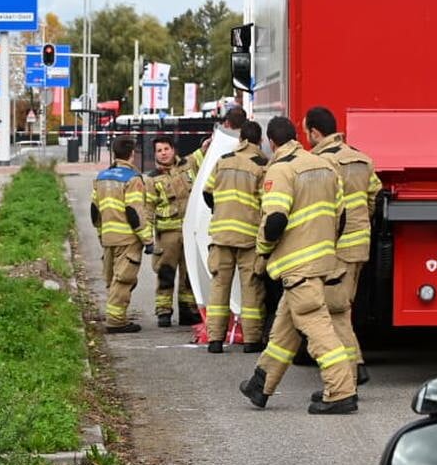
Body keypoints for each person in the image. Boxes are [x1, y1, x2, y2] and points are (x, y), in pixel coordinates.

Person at [239, 116, 358, 414]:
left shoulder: (280, 170)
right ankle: (261, 383)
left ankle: (341, 391)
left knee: (317, 328)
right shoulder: (324, 165)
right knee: (285, 328)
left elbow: (275, 219)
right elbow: (341, 216)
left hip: (297, 266)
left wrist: (262, 250)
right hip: (322, 261)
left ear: (271, 142)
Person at [305, 106, 379, 388]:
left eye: (306, 132)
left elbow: (319, 208)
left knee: (336, 311)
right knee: (344, 307)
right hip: (360, 245)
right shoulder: (362, 159)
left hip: (337, 248)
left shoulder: (320, 162)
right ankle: (355, 364)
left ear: (315, 132)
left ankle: (350, 374)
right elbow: (374, 196)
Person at [202, 120, 266, 353]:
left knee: (219, 286)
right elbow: (268, 202)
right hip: (249, 236)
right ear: (259, 141)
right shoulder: (262, 166)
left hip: (221, 235)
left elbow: (207, 192)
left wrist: (220, 211)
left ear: (240, 139)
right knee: (251, 288)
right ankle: (252, 340)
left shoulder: (223, 161)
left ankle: (215, 340)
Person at [90, 136, 153, 333]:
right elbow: (134, 212)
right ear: (132, 154)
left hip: (108, 237)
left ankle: (116, 316)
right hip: (127, 239)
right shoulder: (132, 179)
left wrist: (101, 234)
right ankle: (116, 321)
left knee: (112, 280)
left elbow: (95, 210)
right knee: (123, 280)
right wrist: (148, 239)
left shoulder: (101, 177)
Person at [147, 136, 201, 328]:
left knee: (189, 275)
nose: (163, 153)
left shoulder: (188, 165)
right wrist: (147, 237)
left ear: (173, 150)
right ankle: (164, 311)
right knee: (165, 273)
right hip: (167, 234)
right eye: (159, 150)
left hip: (190, 232)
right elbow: (148, 207)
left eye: (166, 149)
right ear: (155, 154)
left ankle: (188, 311)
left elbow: (204, 152)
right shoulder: (152, 178)